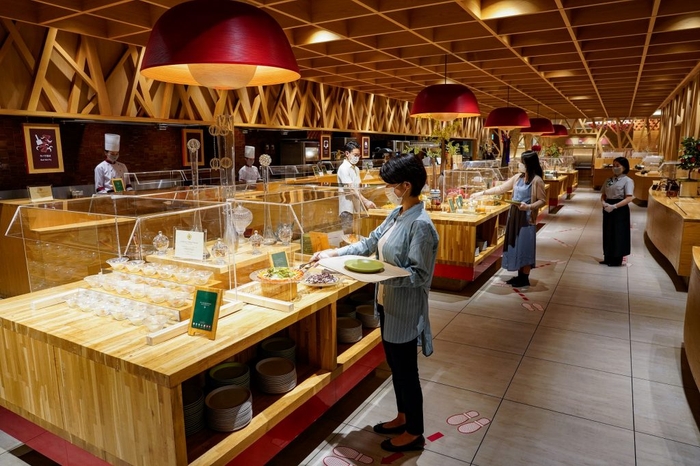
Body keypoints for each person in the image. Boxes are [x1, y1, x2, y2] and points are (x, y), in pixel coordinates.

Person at [312, 153, 438, 452]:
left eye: (390, 184)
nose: (386, 189)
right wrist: (334, 253)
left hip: (405, 308)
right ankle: (402, 417)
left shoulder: (420, 225)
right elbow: (370, 243)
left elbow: (419, 275)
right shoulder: (396, 214)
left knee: (406, 370)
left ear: (406, 186)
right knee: (395, 365)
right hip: (386, 302)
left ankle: (415, 432)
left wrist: (379, 275)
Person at [471, 150, 546, 287]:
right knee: (516, 245)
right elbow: (500, 189)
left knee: (525, 247)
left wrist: (528, 207)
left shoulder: (537, 180)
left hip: (526, 218)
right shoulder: (517, 177)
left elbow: (542, 200)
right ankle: (519, 276)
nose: (520, 165)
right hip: (514, 216)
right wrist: (482, 193)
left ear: (528, 164)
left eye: (522, 162)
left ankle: (524, 278)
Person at [600, 157, 634, 266]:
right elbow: (603, 194)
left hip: (620, 209)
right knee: (607, 232)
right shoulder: (609, 180)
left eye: (617, 166)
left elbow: (629, 198)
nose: (615, 168)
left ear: (624, 167)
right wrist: (604, 203)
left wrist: (614, 206)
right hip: (608, 207)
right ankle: (607, 257)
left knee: (618, 234)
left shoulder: (628, 181)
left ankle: (616, 259)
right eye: (613, 165)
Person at [337, 141, 376, 232]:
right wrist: (366, 201)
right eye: (355, 155)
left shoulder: (356, 169)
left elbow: (357, 187)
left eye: (358, 155)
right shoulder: (343, 168)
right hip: (347, 208)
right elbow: (351, 189)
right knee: (348, 235)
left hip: (357, 207)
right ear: (347, 154)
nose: (357, 157)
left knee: (358, 234)